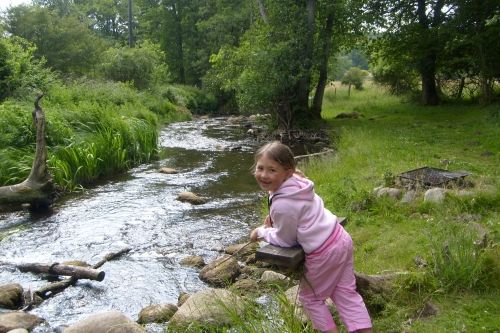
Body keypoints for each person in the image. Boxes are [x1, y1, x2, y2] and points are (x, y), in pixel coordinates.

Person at [249, 141, 373, 333]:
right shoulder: (299, 182)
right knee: (346, 293)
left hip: (324, 252)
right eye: (260, 168)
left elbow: (285, 240)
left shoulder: (284, 205)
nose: (264, 175)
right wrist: (275, 217)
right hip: (340, 237)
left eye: (272, 170)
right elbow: (297, 210)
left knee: (311, 298)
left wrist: (261, 232)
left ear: (287, 172)